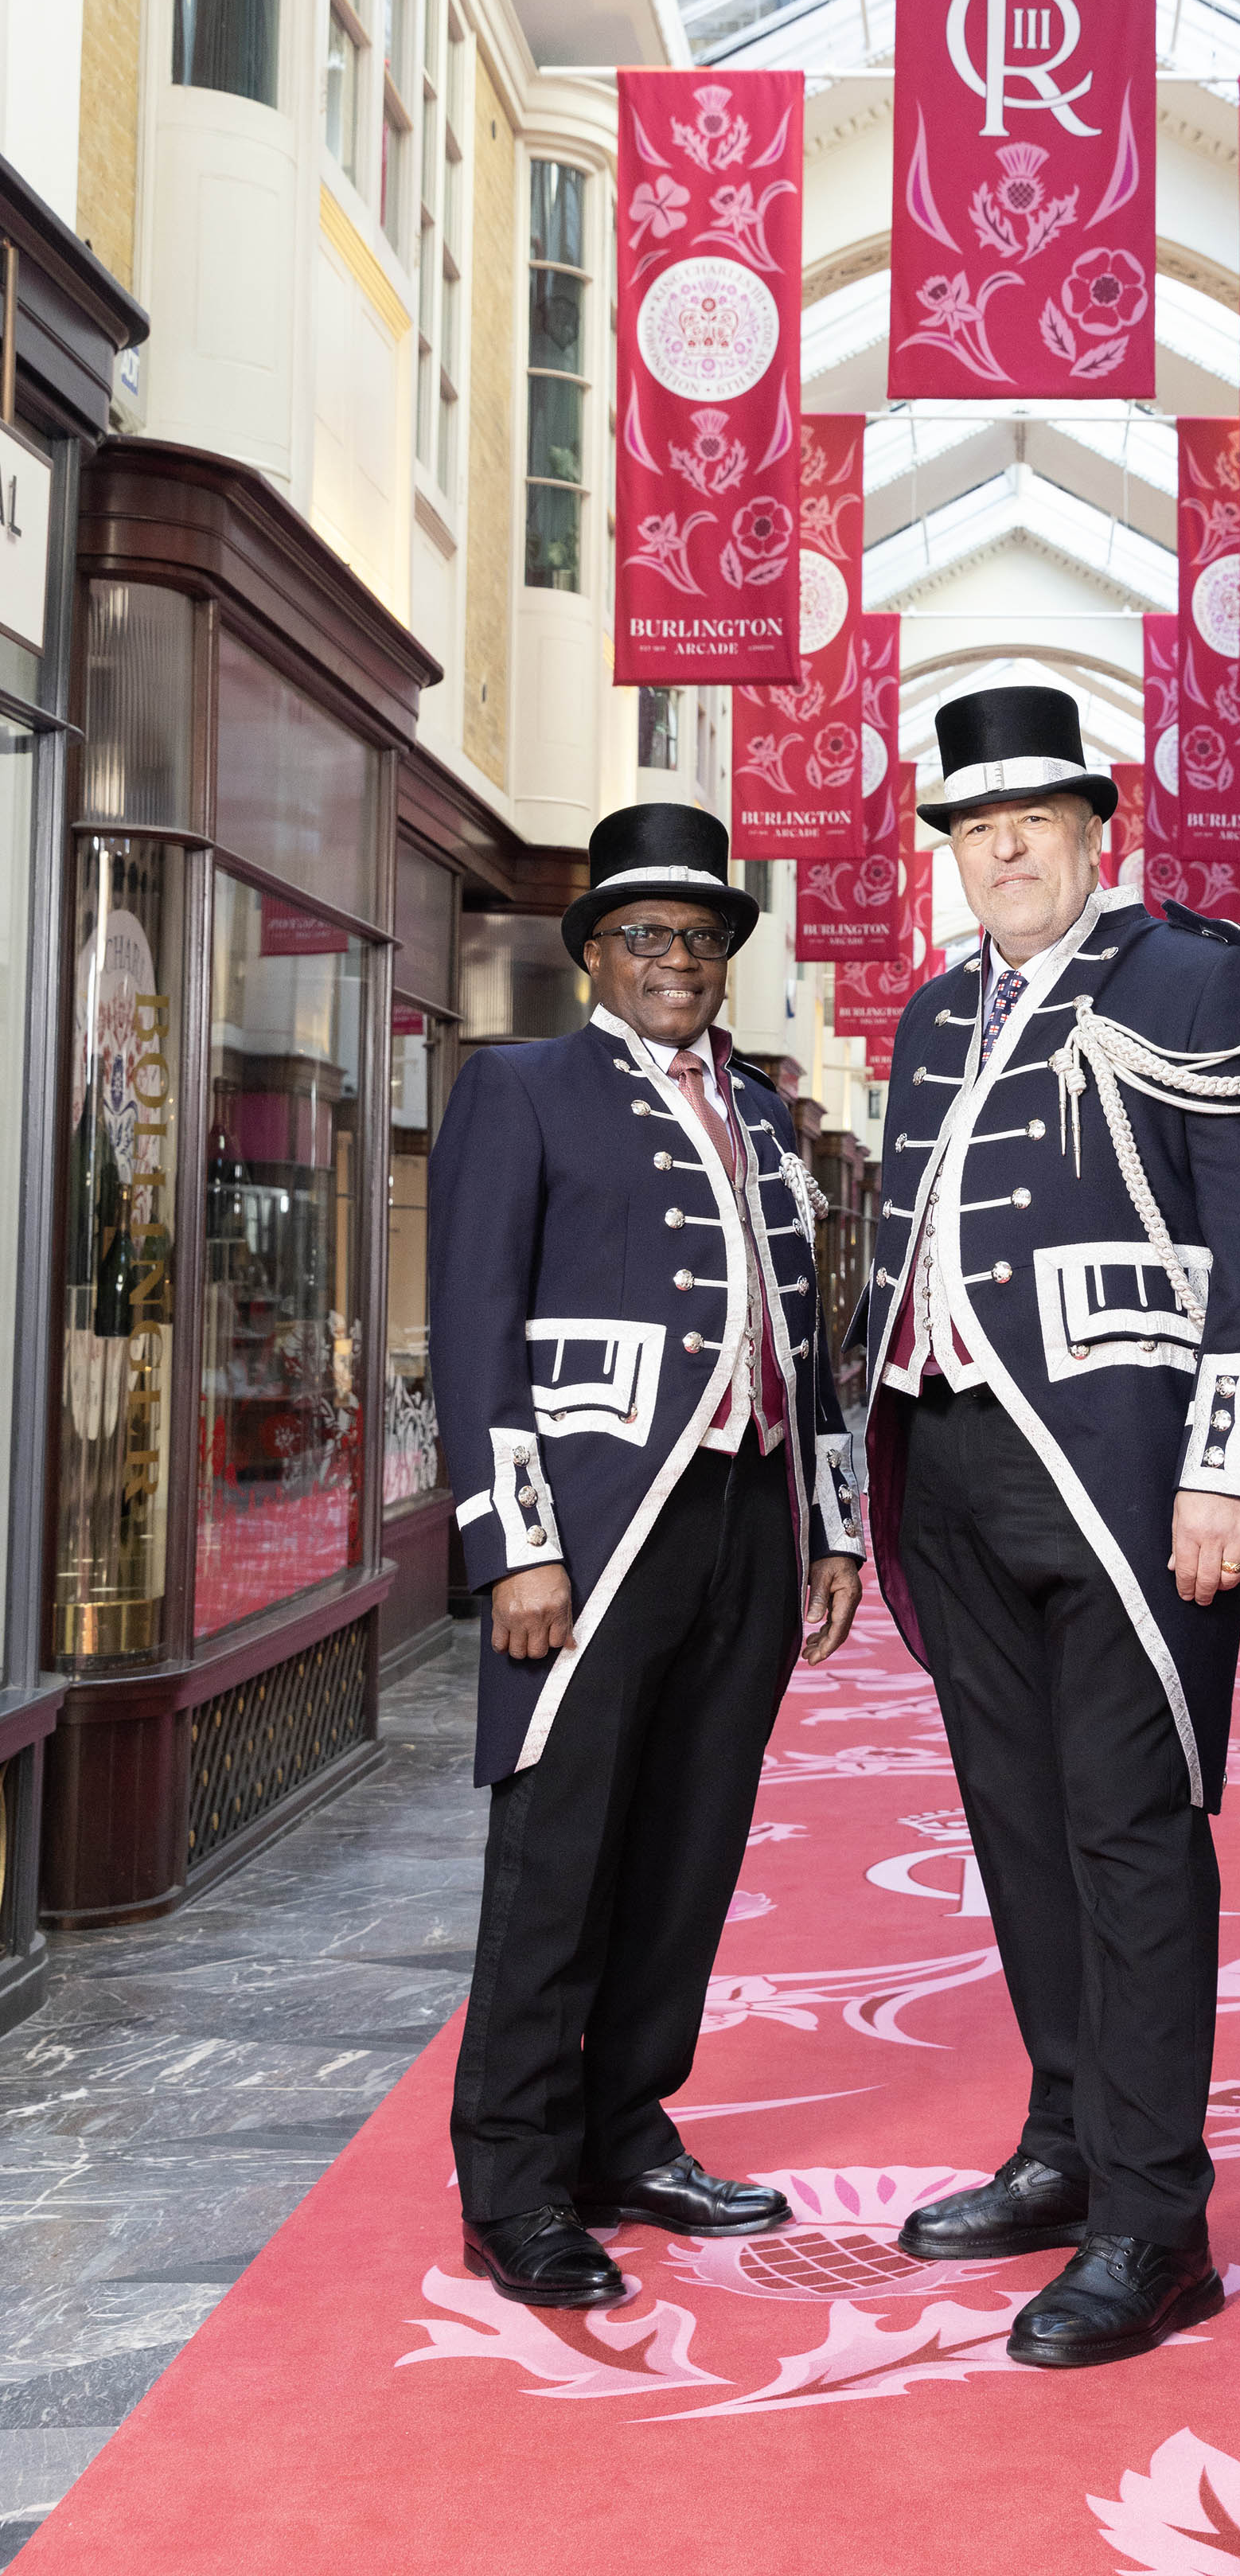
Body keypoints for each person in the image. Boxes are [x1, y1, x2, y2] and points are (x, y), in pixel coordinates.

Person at [858, 685, 1240, 2369]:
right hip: (956, 1462)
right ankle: (1065, 2137)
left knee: (1132, 1832)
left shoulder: (1190, 978)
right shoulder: (927, 1013)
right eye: (974, 826)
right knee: (1020, 1820)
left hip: (1131, 1472)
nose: (1001, 846)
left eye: (1032, 818)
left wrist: (1232, 1465)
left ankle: (1153, 2218)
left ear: (1093, 829)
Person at [432, 800, 864, 2309]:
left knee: (689, 1839)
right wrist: (515, 1549)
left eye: (701, 938)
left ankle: (626, 2131)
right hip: (596, 1528)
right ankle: (514, 2176)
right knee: (560, 1847)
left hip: (747, 1518)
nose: (676, 961)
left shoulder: (760, 1113)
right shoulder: (524, 1090)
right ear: (595, 957)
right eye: (646, 937)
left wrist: (830, 1524)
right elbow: (475, 1333)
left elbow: (807, 1338)